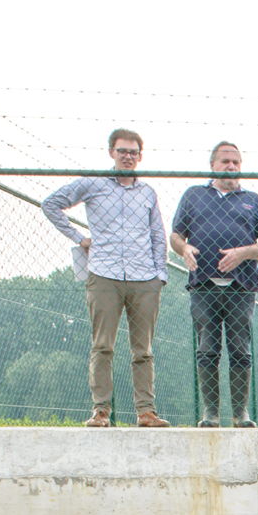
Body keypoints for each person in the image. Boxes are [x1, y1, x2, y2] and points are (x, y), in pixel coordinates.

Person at [41, 128, 170, 428]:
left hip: (144, 277)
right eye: (122, 151)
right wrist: (79, 237)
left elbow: (157, 234)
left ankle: (146, 412)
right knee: (103, 346)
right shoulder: (94, 184)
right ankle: (101, 411)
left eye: (133, 152)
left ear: (140, 156)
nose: (128, 156)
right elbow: (51, 204)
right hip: (104, 274)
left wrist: (159, 274)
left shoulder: (147, 193)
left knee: (143, 350)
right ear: (111, 152)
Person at [169, 141, 258, 427]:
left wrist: (242, 253)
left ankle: (240, 413)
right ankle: (211, 413)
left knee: (240, 350)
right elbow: (175, 235)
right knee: (207, 349)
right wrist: (183, 250)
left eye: (236, 162)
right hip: (203, 286)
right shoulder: (194, 195)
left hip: (241, 287)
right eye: (225, 162)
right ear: (213, 165)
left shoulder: (254, 200)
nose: (231, 167)